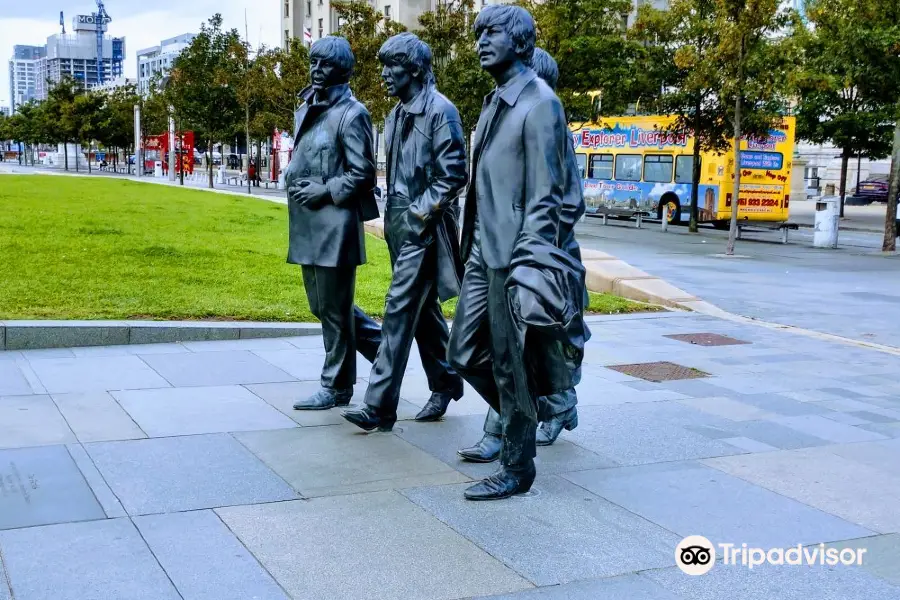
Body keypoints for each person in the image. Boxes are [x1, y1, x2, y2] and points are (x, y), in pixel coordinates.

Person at [448, 6, 585, 501]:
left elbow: (547, 196)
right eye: (479, 32)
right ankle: (536, 406)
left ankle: (517, 464)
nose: (481, 40)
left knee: (509, 364)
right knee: (462, 353)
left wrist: (528, 265)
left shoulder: (540, 104)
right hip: (484, 254)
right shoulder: (494, 102)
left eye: (493, 33)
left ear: (521, 41)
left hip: (515, 259)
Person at [341, 33, 466, 432]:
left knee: (397, 309)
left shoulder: (441, 112)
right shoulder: (395, 115)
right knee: (423, 313)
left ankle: (379, 406)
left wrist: (416, 214)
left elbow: (453, 175)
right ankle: (446, 380)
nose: (383, 75)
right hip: (399, 226)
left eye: (390, 66)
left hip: (425, 228)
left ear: (413, 68)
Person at [284, 36, 383, 411]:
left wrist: (324, 190)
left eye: (324, 65)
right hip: (308, 224)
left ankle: (337, 385)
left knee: (335, 310)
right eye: (313, 62)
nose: (315, 71)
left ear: (342, 70)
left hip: (335, 225)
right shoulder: (309, 106)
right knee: (322, 307)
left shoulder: (352, 113)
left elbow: (364, 174)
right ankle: (386, 351)